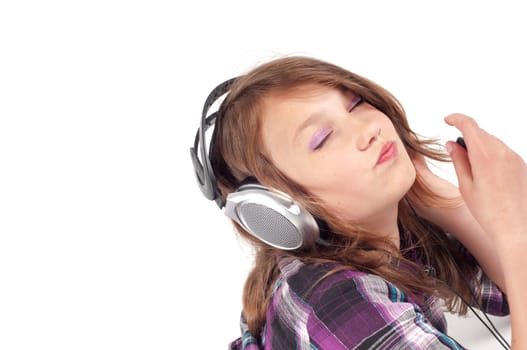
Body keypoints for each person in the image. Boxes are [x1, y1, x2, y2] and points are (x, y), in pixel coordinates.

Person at [191, 56, 527, 349]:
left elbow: (515, 288)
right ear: (276, 207)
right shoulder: (335, 299)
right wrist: (515, 233)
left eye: (355, 104)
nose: (368, 129)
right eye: (322, 139)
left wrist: (442, 200)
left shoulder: (381, 229)